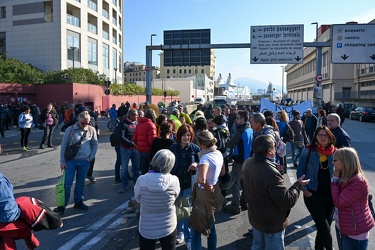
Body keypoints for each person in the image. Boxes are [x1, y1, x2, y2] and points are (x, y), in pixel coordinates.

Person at [242, 135, 310, 249]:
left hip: (256, 217)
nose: (275, 149)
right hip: (271, 222)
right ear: (269, 151)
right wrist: (298, 185)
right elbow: (286, 201)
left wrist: (272, 167)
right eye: (274, 147)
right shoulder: (270, 173)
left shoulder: (248, 163)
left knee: (257, 246)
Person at [297, 125, 337, 250]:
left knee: (325, 226)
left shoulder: (335, 152)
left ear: (330, 137)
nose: (323, 137)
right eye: (320, 135)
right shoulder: (309, 150)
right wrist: (305, 190)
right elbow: (300, 171)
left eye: (326, 135)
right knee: (323, 227)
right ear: (316, 137)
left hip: (330, 196)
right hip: (313, 194)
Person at [54, 111, 98, 215]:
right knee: (67, 184)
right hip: (71, 161)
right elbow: (64, 145)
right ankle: (62, 205)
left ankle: (78, 201)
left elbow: (95, 144)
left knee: (80, 183)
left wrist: (91, 157)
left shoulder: (91, 129)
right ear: (78, 120)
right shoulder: (71, 129)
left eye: (87, 123)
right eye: (83, 123)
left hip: (85, 161)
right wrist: (62, 161)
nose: (85, 125)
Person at [134, 149, 180, 250]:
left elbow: (137, 198)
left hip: (147, 226)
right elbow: (175, 197)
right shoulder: (174, 180)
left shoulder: (141, 180)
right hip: (168, 225)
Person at [331, 147, 375, 250]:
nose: (333, 163)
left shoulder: (358, 182)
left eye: (335, 160)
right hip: (344, 227)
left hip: (355, 232)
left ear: (345, 162)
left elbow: (339, 202)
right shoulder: (345, 177)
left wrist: (334, 181)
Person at [189, 130, 224, 250]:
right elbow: (223, 171)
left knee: (195, 230)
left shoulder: (205, 158)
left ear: (202, 145)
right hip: (215, 191)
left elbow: (201, 179)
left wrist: (199, 170)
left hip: (203, 195)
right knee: (211, 227)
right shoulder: (218, 153)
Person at [169, 124, 201, 247]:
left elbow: (202, 162)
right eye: (184, 135)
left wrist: (196, 164)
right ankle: (179, 232)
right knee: (176, 210)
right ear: (179, 136)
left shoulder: (195, 148)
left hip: (188, 184)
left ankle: (187, 238)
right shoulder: (172, 148)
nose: (186, 137)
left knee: (186, 211)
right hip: (174, 184)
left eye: (188, 135)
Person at [224, 110, 253, 214]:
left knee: (235, 183)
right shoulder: (249, 129)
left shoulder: (240, 131)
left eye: (237, 118)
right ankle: (244, 202)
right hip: (249, 159)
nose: (236, 120)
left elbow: (230, 143)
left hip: (240, 160)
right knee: (245, 182)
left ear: (243, 119)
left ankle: (235, 206)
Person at [118, 109, 140, 193]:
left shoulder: (136, 123)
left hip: (135, 149)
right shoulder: (123, 123)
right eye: (135, 115)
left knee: (136, 167)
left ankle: (136, 184)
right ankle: (123, 185)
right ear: (130, 115)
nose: (137, 117)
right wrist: (131, 144)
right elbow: (121, 137)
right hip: (125, 149)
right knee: (124, 168)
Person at [133, 108, 157, 175]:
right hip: (149, 150)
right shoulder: (151, 125)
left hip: (140, 150)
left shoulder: (138, 124)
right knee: (153, 168)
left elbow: (134, 138)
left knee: (144, 168)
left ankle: (143, 183)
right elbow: (151, 140)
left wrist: (138, 146)